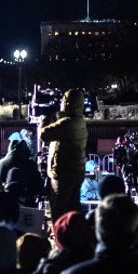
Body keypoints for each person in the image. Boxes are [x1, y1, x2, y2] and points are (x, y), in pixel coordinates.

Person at [39, 88, 89, 221]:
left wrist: (44, 119)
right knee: (73, 208)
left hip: (62, 174)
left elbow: (43, 135)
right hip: (76, 172)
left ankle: (60, 237)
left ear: (67, 103)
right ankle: (74, 236)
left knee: (59, 210)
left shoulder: (65, 124)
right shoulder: (80, 122)